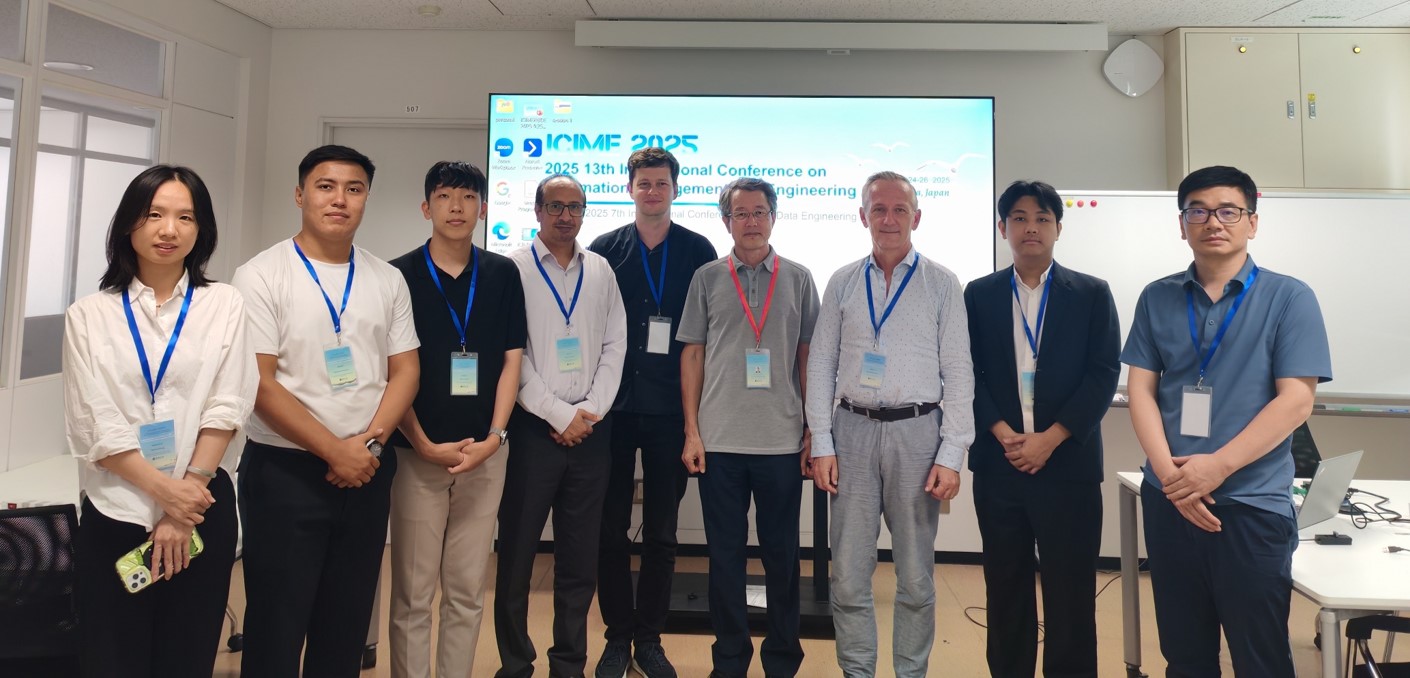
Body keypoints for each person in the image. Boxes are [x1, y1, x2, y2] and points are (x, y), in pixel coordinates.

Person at [1122, 165, 1331, 677]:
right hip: (1170, 499)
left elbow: (1296, 402)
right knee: (1185, 654)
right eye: (1198, 211)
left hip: (1250, 503)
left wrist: (1216, 467)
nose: (1213, 222)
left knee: (1260, 658)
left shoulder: (1289, 297)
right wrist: (1171, 478)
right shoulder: (1157, 296)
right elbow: (1141, 391)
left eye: (1228, 211)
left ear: (1252, 222)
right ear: (1182, 225)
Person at [232, 144, 421, 677]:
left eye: (354, 189)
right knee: (276, 626)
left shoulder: (386, 278)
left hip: (367, 470)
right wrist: (335, 450)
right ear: (300, 195)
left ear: (366, 199)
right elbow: (260, 383)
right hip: (285, 473)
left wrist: (370, 445)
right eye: (326, 186)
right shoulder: (260, 275)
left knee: (345, 626)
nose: (340, 199)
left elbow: (406, 370)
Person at [64, 165, 256, 678]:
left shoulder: (225, 304)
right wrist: (166, 494)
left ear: (201, 228)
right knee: (112, 660)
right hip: (118, 509)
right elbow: (94, 423)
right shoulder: (89, 314)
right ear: (129, 223)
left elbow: (228, 404)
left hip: (202, 506)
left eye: (185, 217)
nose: (169, 229)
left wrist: (183, 504)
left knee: (186, 658)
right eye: (154, 215)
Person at [805, 171, 975, 678]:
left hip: (918, 435)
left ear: (916, 218)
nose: (889, 218)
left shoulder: (942, 283)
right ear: (863, 217)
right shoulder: (842, 281)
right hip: (852, 432)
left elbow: (958, 370)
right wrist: (822, 442)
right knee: (848, 575)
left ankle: (910, 672)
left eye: (900, 209)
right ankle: (857, 671)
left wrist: (952, 454)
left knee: (916, 577)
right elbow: (821, 364)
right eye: (878, 209)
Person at [964, 180, 1120, 678]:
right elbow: (966, 371)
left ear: (1058, 228)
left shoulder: (1091, 293)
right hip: (1000, 464)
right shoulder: (980, 294)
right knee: (1005, 586)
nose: (1030, 228)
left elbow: (1103, 373)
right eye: (1019, 218)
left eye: (1042, 218)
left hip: (1067, 465)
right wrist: (1000, 430)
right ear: (1003, 228)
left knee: (1070, 590)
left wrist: (1050, 439)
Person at [386, 161, 526, 678]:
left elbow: (512, 359)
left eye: (468, 198)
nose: (457, 208)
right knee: (413, 593)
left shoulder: (502, 273)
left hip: (485, 456)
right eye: (445, 197)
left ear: (483, 209)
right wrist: (422, 443)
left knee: (467, 591)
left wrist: (495, 437)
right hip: (416, 455)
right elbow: (391, 371)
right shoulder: (397, 275)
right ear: (427, 207)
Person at [678, 177, 819, 678]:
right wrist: (692, 432)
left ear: (773, 218)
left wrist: (813, 432)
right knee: (725, 559)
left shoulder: (799, 278)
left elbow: (809, 358)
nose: (752, 222)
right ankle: (730, 661)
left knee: (783, 559)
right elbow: (692, 355)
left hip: (781, 441)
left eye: (760, 212)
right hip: (720, 441)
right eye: (741, 213)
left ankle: (782, 660)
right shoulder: (706, 278)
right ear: (727, 221)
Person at [588, 147, 718, 678]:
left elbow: (707, 336)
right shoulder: (604, 250)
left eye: (661, 183)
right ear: (630, 188)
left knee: (663, 532)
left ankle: (650, 639)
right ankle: (617, 637)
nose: (652, 191)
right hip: (613, 410)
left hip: (672, 411)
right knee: (610, 529)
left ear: (675, 189)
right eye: (643, 183)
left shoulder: (698, 250)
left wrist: (696, 422)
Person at [496, 173, 627, 678]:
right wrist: (557, 413)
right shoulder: (513, 268)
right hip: (534, 431)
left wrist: (589, 410)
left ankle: (568, 664)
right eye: (556, 206)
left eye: (575, 207)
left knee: (579, 559)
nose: (566, 216)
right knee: (517, 556)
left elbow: (616, 343)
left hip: (591, 433)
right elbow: (513, 354)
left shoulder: (601, 269)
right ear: (537, 211)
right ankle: (515, 664)